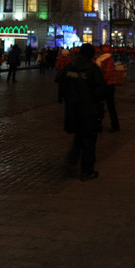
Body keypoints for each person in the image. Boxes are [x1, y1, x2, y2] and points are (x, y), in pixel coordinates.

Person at [57, 43, 105, 181]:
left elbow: (60, 82)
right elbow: (100, 91)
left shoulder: (70, 67)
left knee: (79, 135)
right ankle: (86, 170)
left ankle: (71, 160)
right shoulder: (92, 69)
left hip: (72, 109)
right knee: (89, 140)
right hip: (88, 109)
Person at [96, 45, 120, 132]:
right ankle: (101, 124)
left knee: (108, 106)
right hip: (106, 85)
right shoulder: (102, 59)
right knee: (106, 106)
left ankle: (114, 125)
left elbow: (106, 74)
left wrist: (99, 82)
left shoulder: (107, 60)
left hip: (107, 86)